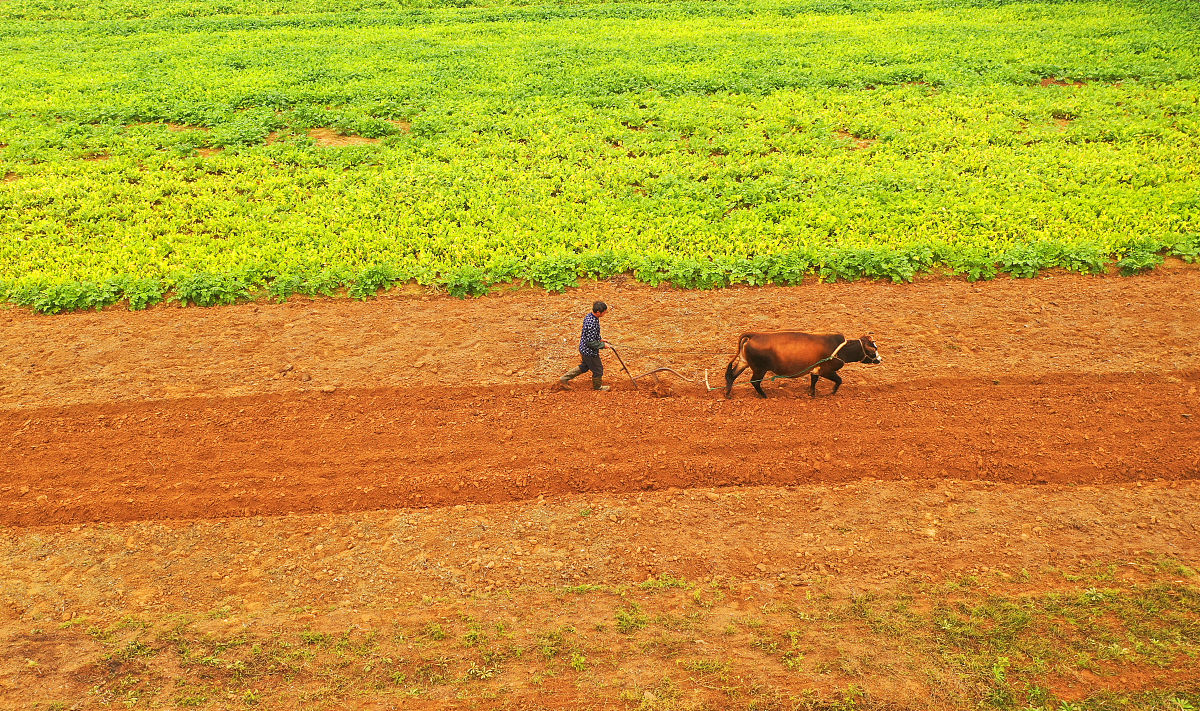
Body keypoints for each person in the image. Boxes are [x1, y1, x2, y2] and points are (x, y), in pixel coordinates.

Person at [557, 301, 611, 391]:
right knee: (598, 369)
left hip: (583, 348)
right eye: (604, 312)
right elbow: (590, 342)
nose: (605, 313)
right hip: (589, 351)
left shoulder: (590, 316)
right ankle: (598, 387)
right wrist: (602, 345)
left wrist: (600, 339)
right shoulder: (592, 323)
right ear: (598, 312)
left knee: (585, 366)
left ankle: (564, 378)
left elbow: (590, 334)